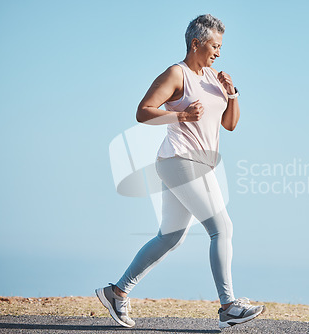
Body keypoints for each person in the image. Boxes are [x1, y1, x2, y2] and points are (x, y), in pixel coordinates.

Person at [95, 14, 266, 329]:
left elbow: (229, 124)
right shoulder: (177, 73)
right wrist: (181, 116)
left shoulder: (214, 77)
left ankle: (116, 292)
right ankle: (228, 306)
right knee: (221, 228)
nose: (218, 52)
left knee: (170, 237)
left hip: (201, 164)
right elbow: (143, 112)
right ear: (196, 43)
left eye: (221, 46)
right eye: (215, 46)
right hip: (178, 160)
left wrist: (233, 94)